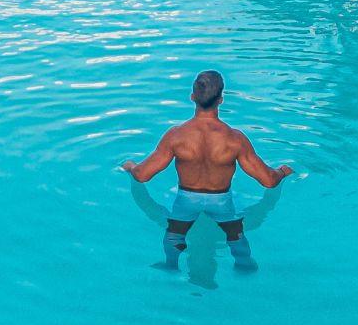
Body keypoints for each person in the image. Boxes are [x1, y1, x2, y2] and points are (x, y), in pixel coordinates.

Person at [122, 70, 292, 269]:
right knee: (234, 230)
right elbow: (268, 181)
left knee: (176, 229)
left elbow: (142, 176)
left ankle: (171, 263)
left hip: (186, 198)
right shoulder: (234, 139)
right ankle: (243, 263)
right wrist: (282, 171)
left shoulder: (176, 136)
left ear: (192, 97)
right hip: (221, 199)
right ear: (221, 99)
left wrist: (131, 166)